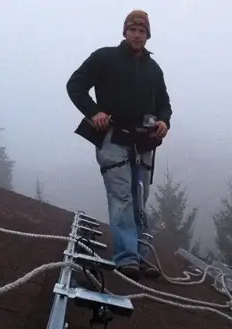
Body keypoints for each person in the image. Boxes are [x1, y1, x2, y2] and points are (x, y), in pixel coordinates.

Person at [66, 9, 172, 281]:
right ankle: (126, 258)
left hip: (144, 142)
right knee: (122, 197)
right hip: (113, 137)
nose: (138, 35)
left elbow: (164, 103)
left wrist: (164, 121)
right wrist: (93, 112)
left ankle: (140, 256)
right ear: (125, 32)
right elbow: (75, 85)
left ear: (148, 35)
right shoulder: (105, 58)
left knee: (140, 200)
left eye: (142, 31)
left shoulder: (153, 69)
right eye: (133, 30)